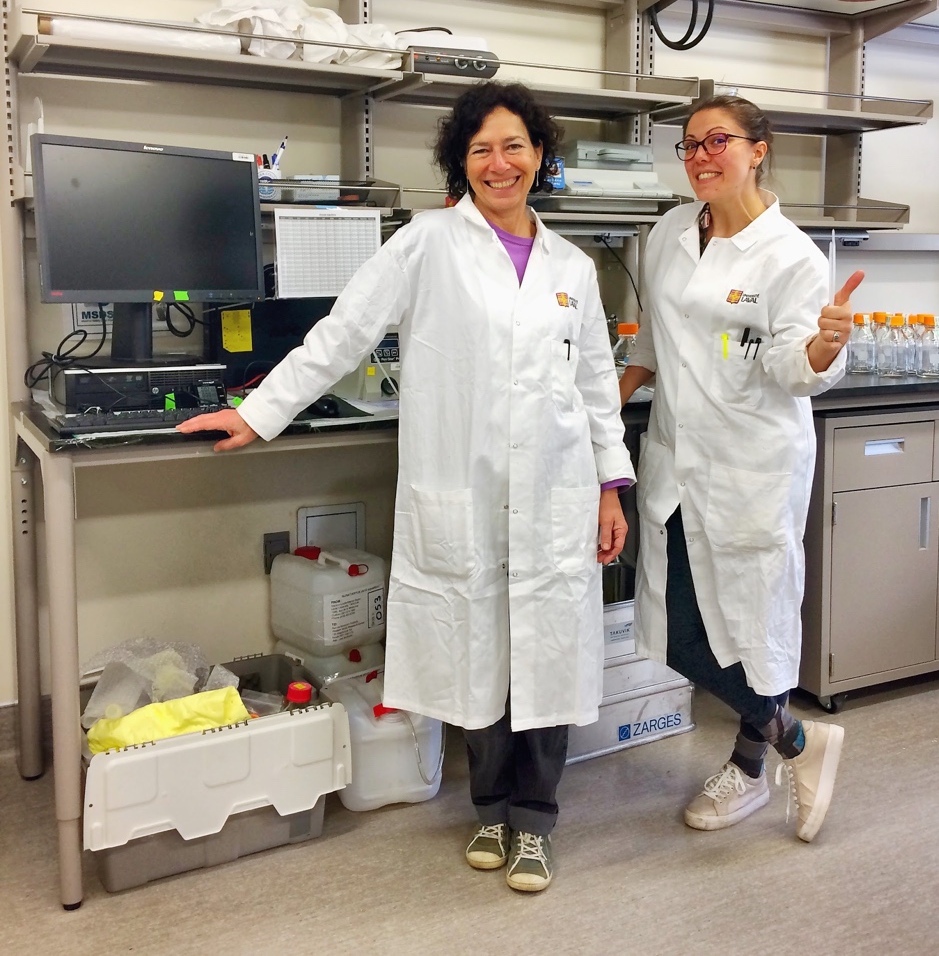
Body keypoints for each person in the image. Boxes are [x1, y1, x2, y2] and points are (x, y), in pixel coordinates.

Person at [179, 82, 634, 892]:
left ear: (539, 155)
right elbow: (344, 330)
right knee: (479, 655)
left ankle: (536, 822)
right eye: (481, 149)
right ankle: (489, 808)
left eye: (515, 146)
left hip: (557, 492)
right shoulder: (426, 242)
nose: (500, 163)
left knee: (549, 655)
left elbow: (596, 382)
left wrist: (609, 483)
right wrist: (259, 411)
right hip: (463, 489)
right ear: (461, 163)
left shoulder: (571, 264)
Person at [618, 94, 861, 844]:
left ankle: (752, 766)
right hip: (676, 461)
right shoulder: (664, 234)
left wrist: (825, 344)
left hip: (749, 465)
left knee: (751, 627)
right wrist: (595, 413)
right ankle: (798, 740)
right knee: (676, 632)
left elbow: (795, 368)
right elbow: (647, 347)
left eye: (715, 141)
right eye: (688, 145)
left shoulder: (788, 254)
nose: (699, 157)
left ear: (758, 148)